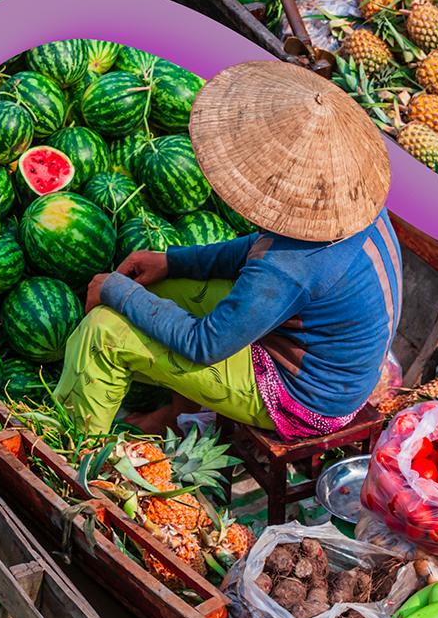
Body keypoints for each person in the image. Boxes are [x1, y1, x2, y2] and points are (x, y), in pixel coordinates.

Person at [56, 61, 402, 440]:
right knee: (156, 290)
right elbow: (259, 249)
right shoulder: (350, 200)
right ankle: (175, 414)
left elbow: (203, 344)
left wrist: (116, 290)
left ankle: (75, 452)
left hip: (299, 400)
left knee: (103, 333)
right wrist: (173, 262)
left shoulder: (289, 267)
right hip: (320, 356)